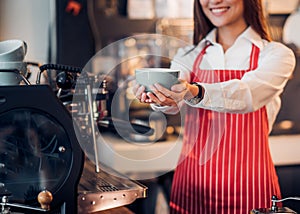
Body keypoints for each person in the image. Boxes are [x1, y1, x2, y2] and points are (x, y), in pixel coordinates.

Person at [133, 0, 296, 213]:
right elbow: (174, 102)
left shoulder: (275, 54)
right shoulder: (188, 54)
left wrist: (196, 91)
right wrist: (159, 97)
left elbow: (248, 94)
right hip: (192, 187)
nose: (214, 1)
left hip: (251, 188)